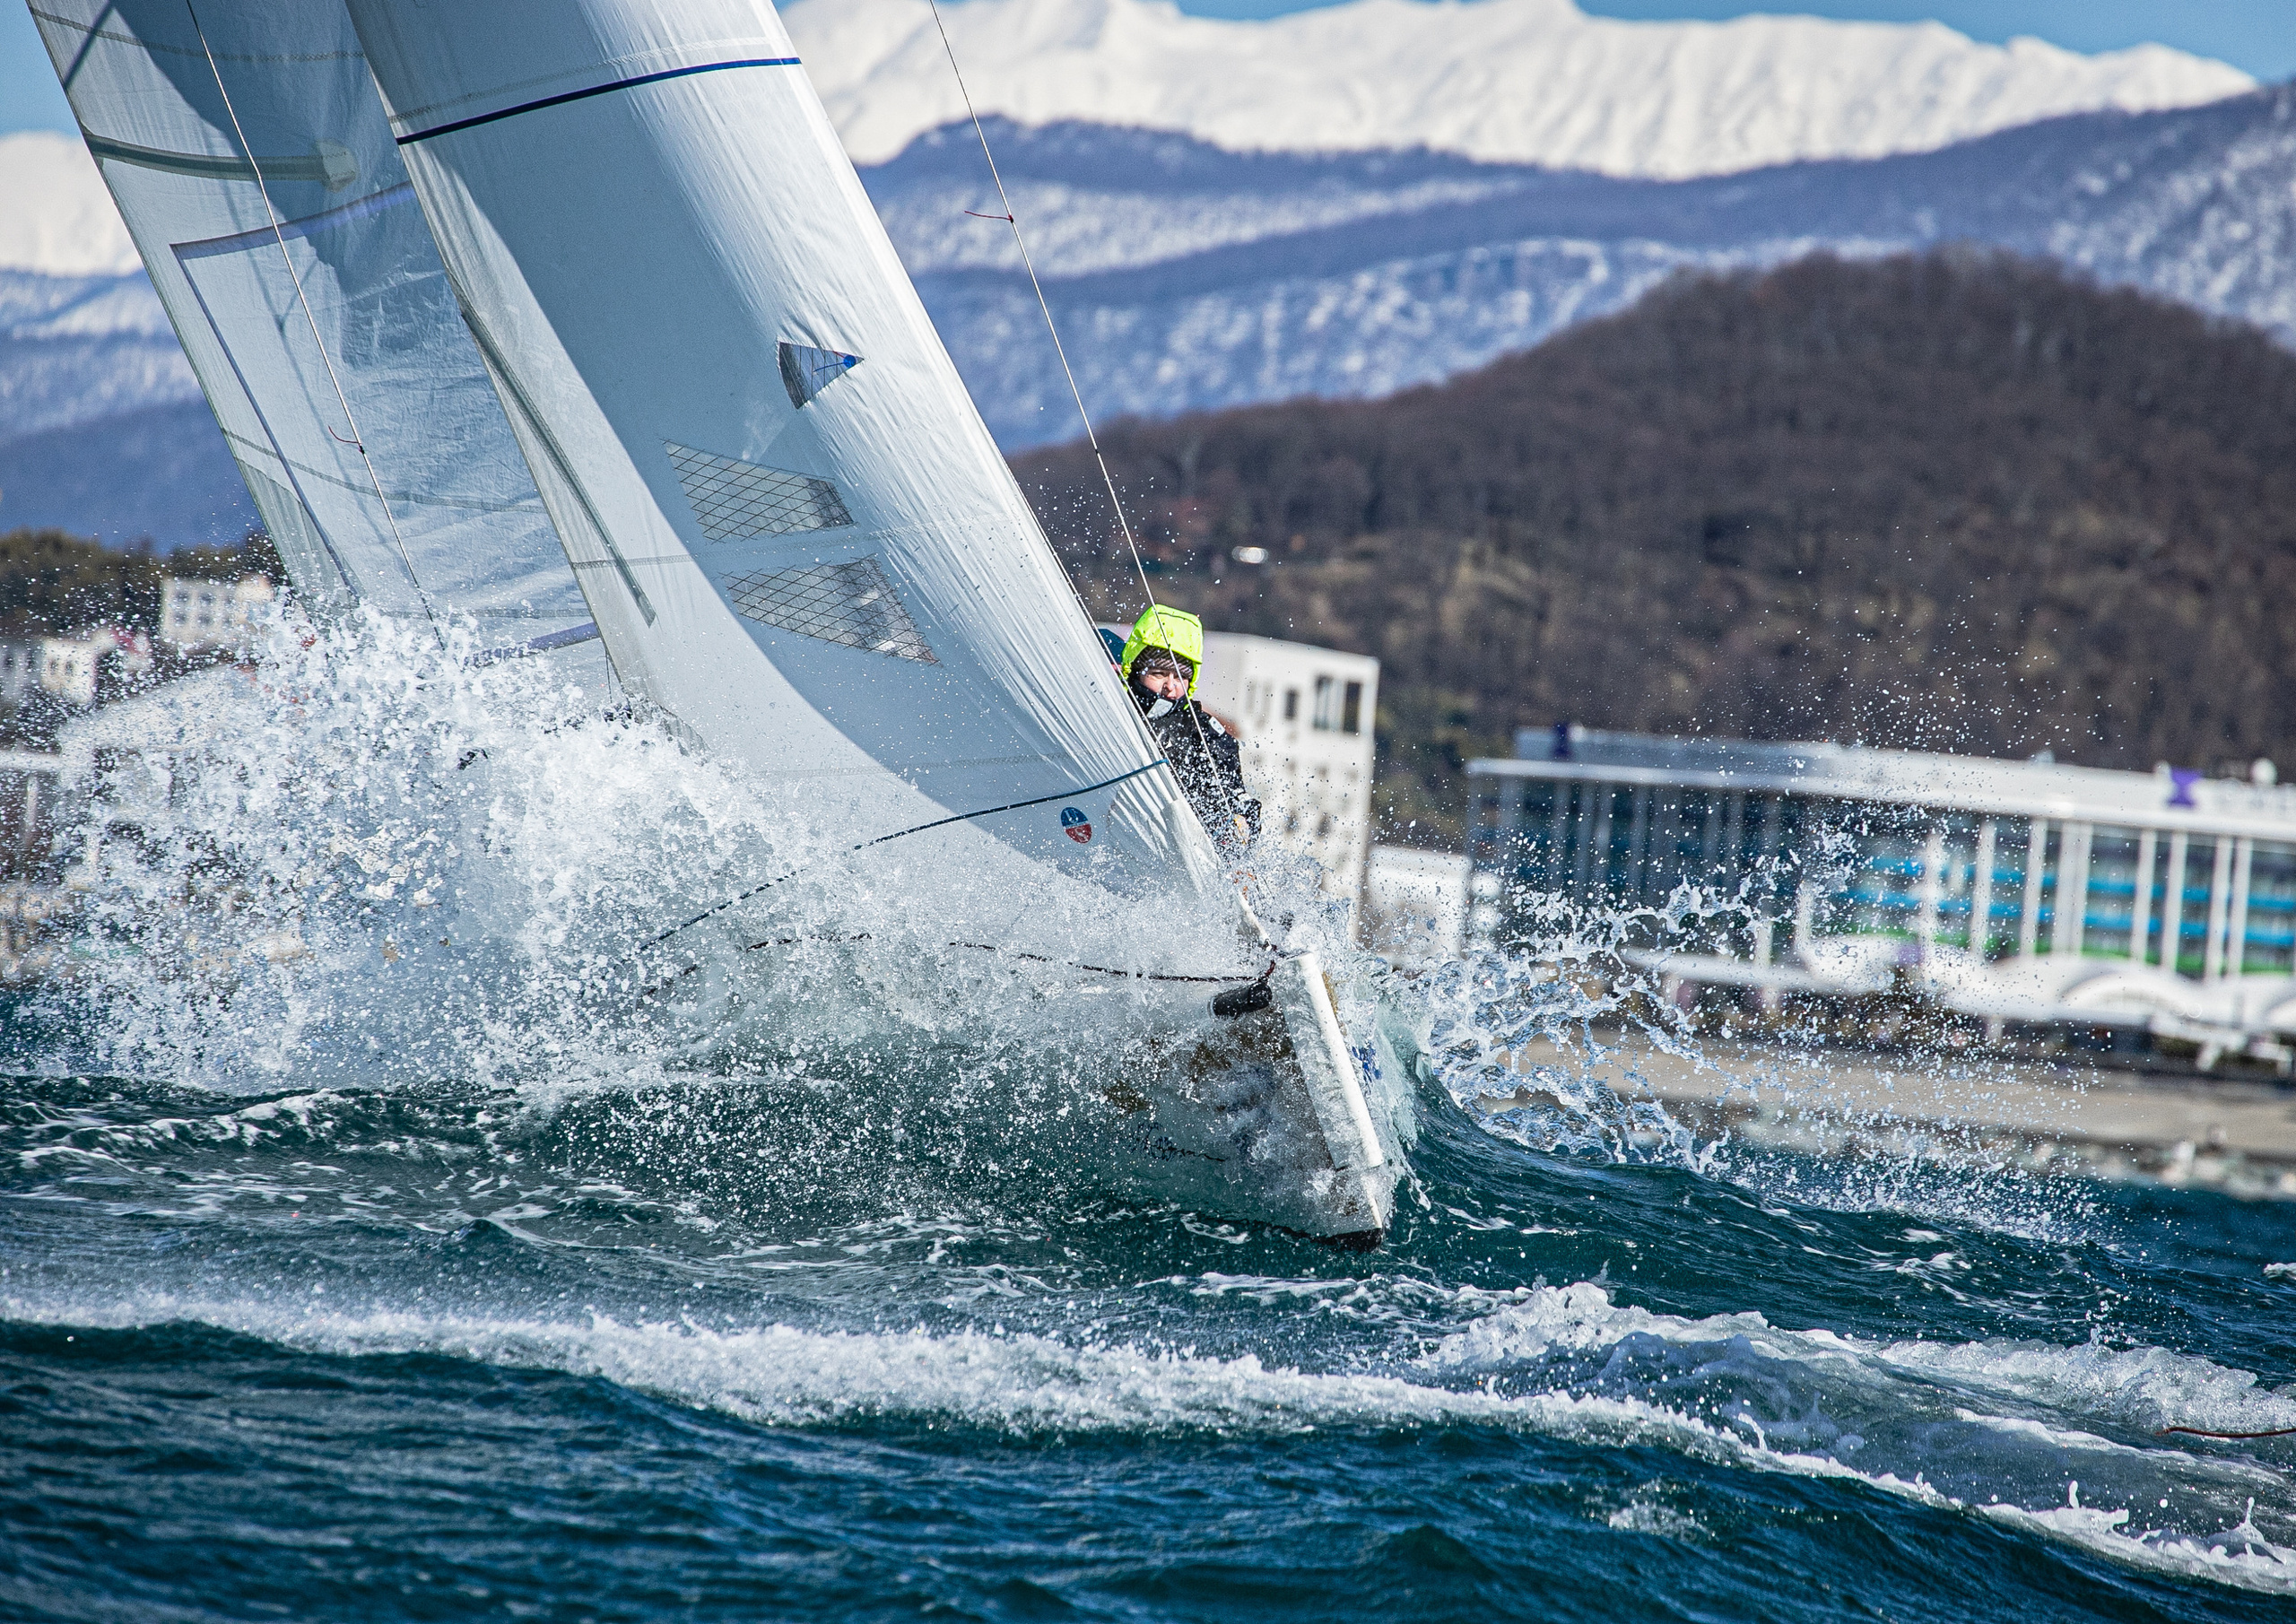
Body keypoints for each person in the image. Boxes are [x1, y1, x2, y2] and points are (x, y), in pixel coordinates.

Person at [1116, 606, 1260, 853]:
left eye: (1180, 677)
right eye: (1159, 674)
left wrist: (1241, 808)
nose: (1170, 687)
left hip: (1173, 844)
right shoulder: (1111, 703)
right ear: (1136, 670)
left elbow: (1228, 775)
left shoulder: (1201, 730)